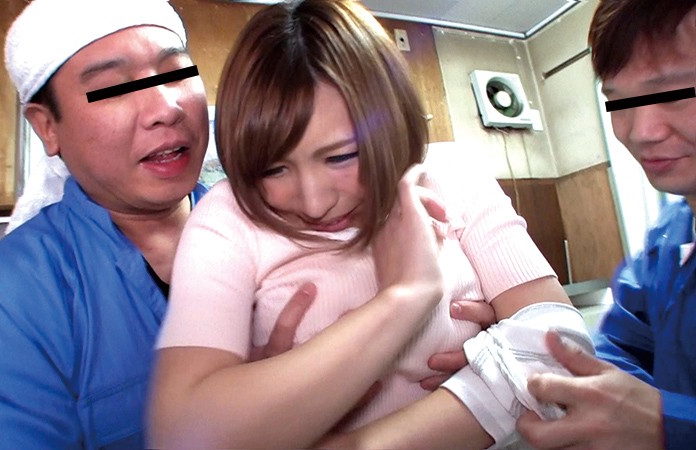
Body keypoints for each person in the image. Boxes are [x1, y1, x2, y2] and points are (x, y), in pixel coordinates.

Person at [146, 1, 593, 449]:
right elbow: (185, 435)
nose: (315, 202)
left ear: (391, 120)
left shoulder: (452, 173)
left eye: (341, 156)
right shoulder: (228, 216)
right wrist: (405, 298)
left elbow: (561, 350)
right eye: (274, 169)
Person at [0, 0, 316, 448]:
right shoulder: (6, 306)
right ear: (47, 127)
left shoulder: (284, 225)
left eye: (177, 73)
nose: (166, 107)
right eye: (113, 88)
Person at [511, 1, 696, 448]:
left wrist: (669, 425)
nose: (640, 130)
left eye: (674, 93)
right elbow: (618, 350)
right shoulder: (669, 239)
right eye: (618, 102)